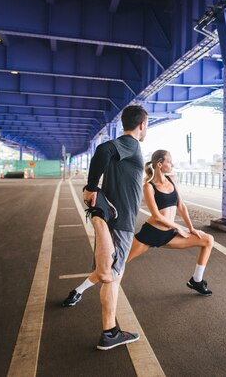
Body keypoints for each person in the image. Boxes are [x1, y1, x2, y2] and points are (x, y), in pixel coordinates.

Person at [63, 150, 215, 303]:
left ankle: (196, 280)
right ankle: (78, 291)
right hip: (150, 234)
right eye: (170, 161)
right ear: (160, 164)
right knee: (114, 266)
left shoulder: (173, 179)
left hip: (170, 234)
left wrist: (191, 228)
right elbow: (156, 216)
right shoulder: (148, 187)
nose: (173, 164)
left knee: (208, 240)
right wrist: (178, 227)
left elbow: (181, 206)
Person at [65, 104, 148, 351]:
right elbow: (102, 149)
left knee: (108, 275)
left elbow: (105, 153)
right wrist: (91, 186)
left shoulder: (123, 148)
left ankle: (108, 328)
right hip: (121, 222)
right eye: (146, 125)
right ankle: (110, 333)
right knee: (112, 277)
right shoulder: (131, 144)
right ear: (142, 125)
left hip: (114, 218)